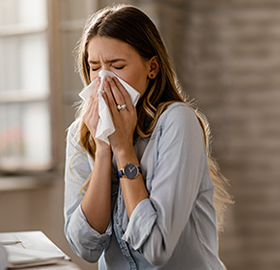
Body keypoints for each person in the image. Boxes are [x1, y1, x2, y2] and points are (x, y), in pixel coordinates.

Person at [63, 4, 233, 270]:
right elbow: (85, 247)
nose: (104, 79)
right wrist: (104, 147)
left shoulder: (177, 123)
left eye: (117, 66)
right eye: (94, 67)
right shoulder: (81, 133)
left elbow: (156, 248)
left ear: (152, 67)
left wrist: (123, 150)